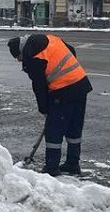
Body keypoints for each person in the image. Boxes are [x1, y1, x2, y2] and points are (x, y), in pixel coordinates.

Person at [8, 34, 92, 176]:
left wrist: (44, 109)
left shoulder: (33, 56)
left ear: (21, 51)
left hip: (62, 91)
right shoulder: (50, 38)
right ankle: (73, 164)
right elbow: (71, 50)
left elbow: (39, 87)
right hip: (81, 84)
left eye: (18, 57)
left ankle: (52, 168)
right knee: (74, 128)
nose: (19, 60)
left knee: (54, 130)